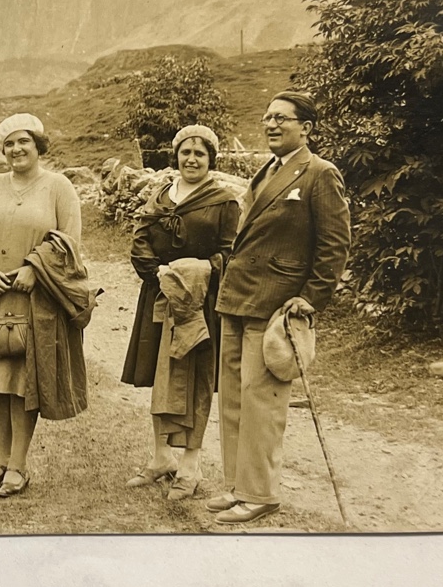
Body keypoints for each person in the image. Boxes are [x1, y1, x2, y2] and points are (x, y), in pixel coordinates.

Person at [209, 91, 351, 524]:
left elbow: (335, 244)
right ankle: (237, 485)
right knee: (233, 397)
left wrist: (311, 297)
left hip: (274, 304)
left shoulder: (319, 173)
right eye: (267, 117)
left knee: (262, 402)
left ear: (306, 128)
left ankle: (260, 494)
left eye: (282, 119)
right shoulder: (267, 170)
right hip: (237, 297)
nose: (271, 125)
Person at [0, 114, 87, 498]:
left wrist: (34, 267)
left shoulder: (58, 186)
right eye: (9, 144)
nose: (16, 149)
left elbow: (70, 241)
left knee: (21, 380)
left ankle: (17, 466)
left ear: (38, 145)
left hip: (35, 296)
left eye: (23, 141)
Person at [120, 125, 239, 500]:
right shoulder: (160, 196)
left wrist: (201, 268)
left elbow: (231, 253)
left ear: (211, 159)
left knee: (196, 379)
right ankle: (161, 458)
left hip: (200, 302)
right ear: (176, 155)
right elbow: (140, 241)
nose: (191, 159)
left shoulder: (224, 201)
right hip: (159, 295)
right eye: (185, 152)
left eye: (200, 153)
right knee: (162, 374)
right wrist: (157, 272)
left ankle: (190, 465)